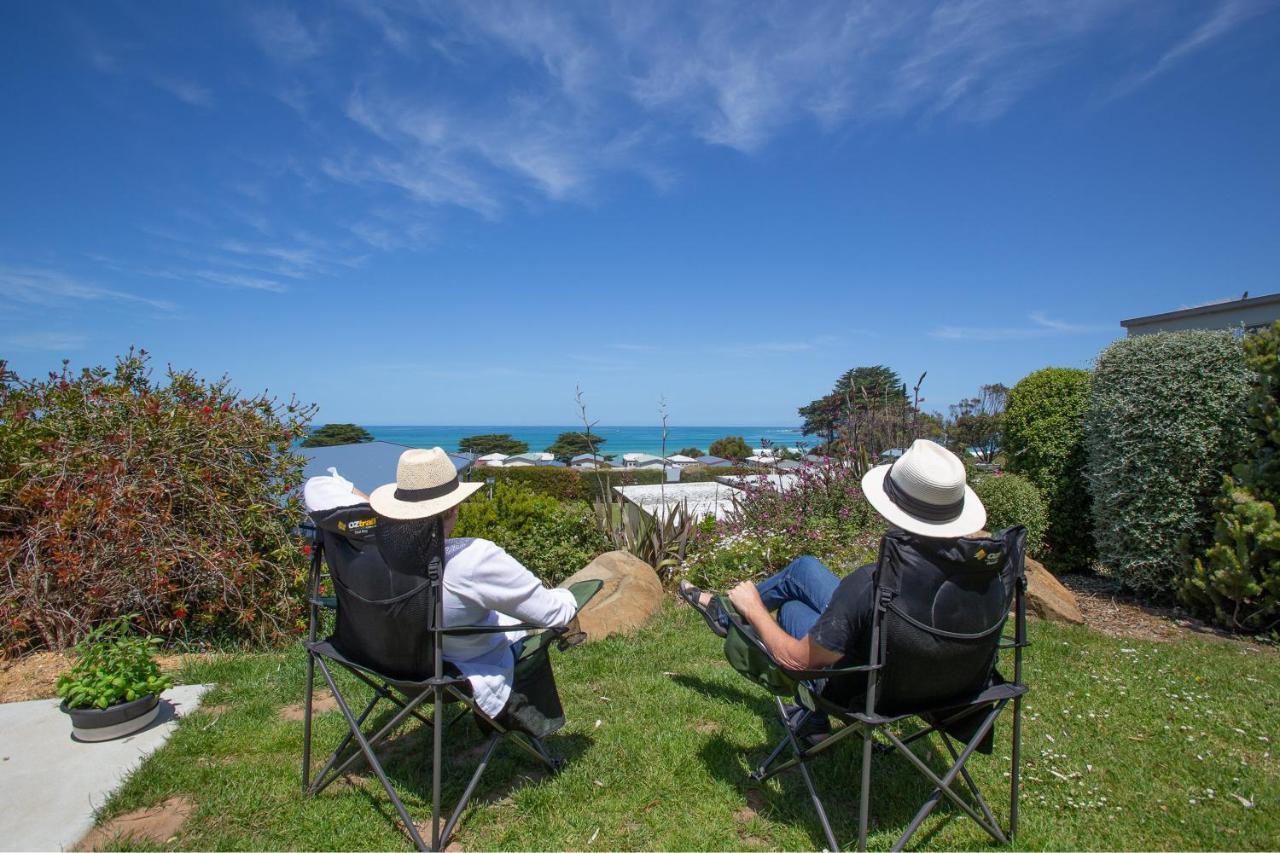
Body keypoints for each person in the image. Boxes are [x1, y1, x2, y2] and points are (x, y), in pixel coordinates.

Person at [679, 439, 988, 740]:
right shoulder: (985, 576)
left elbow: (798, 661)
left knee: (791, 610)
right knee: (805, 569)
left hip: (872, 688)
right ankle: (725, 613)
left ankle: (732, 617)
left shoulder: (874, 583)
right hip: (946, 683)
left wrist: (755, 610)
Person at [304, 448, 580, 722]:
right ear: (453, 508)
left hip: (385, 661)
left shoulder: (377, 554)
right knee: (522, 627)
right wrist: (567, 595)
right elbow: (554, 613)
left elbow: (318, 486)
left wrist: (379, 521)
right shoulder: (474, 559)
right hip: (456, 669)